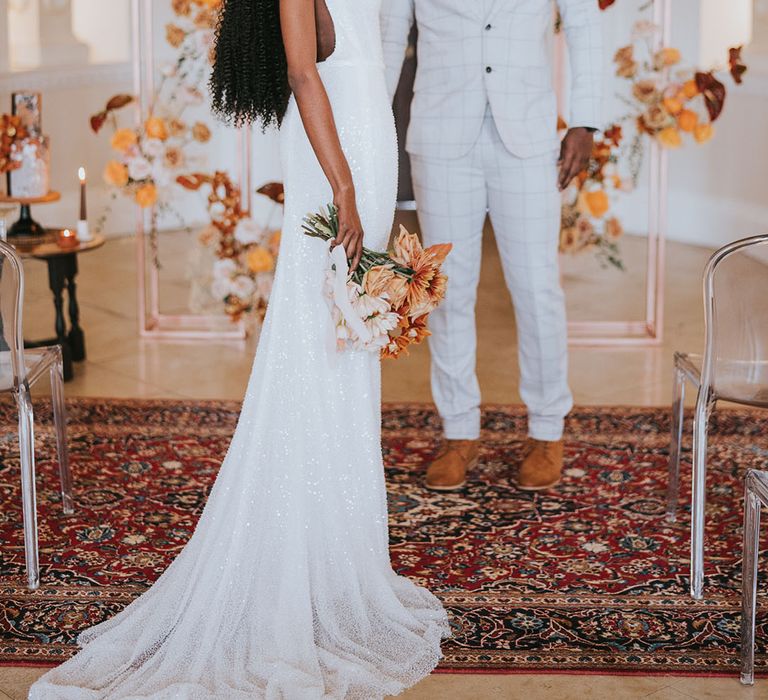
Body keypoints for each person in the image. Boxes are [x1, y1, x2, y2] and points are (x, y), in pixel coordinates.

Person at [30, 0, 448, 697]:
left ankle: (340, 550)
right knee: (321, 338)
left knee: (347, 339)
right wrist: (345, 189)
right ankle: (306, 552)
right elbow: (303, 73)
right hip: (335, 154)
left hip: (368, 140)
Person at [381, 0, 603, 492]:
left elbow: (585, 23)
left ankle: (547, 431)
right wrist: (374, 127)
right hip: (440, 137)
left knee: (536, 289)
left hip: (528, 137)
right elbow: (390, 34)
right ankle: (458, 431)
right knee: (446, 291)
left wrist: (585, 122)